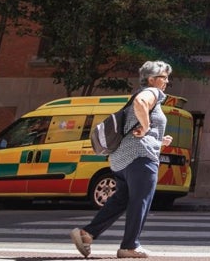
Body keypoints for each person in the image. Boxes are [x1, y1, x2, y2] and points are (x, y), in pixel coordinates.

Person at [70, 61, 173, 259]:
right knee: (141, 200)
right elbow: (141, 104)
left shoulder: (143, 95)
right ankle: (130, 246)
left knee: (120, 200)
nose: (167, 81)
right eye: (163, 77)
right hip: (140, 159)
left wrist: (159, 141)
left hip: (121, 160)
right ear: (151, 79)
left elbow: (138, 128)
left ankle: (87, 234)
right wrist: (145, 127)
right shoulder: (152, 93)